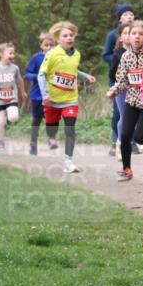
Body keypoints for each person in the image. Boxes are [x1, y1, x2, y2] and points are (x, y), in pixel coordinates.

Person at [38, 21, 97, 173]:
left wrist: (85, 76)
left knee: (70, 128)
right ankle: (51, 136)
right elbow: (41, 74)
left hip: (71, 99)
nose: (69, 38)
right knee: (52, 127)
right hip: (52, 99)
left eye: (71, 35)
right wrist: (45, 94)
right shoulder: (51, 54)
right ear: (58, 39)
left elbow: (72, 71)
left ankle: (68, 160)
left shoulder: (77, 54)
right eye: (65, 36)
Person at [108, 20, 143, 181]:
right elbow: (122, 81)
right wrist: (113, 91)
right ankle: (127, 169)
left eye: (141, 34)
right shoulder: (125, 56)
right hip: (131, 100)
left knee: (140, 137)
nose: (137, 37)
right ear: (128, 36)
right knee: (125, 133)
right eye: (133, 34)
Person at [103, 2, 135, 156]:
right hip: (117, 79)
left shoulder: (139, 32)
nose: (129, 16)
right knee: (119, 111)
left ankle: (132, 142)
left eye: (131, 14)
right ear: (119, 19)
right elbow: (106, 55)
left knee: (136, 110)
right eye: (125, 14)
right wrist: (120, 61)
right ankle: (114, 141)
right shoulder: (112, 35)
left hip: (135, 81)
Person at [0, 42, 26, 151]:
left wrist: (23, 91)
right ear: (1, 54)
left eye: (13, 53)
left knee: (13, 117)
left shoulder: (15, 68)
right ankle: (0, 142)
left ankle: (9, 116)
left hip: (12, 98)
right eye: (10, 53)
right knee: (1, 123)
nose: (13, 55)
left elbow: (19, 80)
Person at [24, 32, 57, 155]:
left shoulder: (57, 58)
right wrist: (38, 76)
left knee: (51, 118)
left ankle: (51, 138)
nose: (49, 48)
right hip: (37, 95)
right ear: (41, 45)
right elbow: (27, 74)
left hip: (52, 95)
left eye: (51, 45)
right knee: (36, 120)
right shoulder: (36, 58)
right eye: (46, 45)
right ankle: (33, 143)